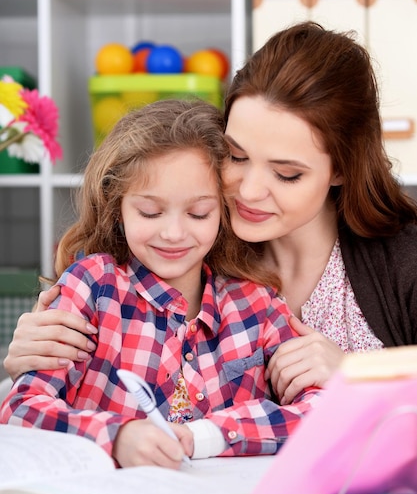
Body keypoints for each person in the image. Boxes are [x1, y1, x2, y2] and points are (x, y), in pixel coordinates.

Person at [4, 21, 417, 400]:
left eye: (287, 174)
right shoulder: (190, 242)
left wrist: (359, 370)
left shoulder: (402, 259)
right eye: (236, 156)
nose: (249, 192)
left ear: (342, 169)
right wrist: (32, 356)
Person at [0, 98, 320, 470]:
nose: (173, 233)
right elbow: (21, 411)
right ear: (117, 208)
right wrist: (117, 437)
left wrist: (211, 435)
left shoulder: (255, 303)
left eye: (198, 213)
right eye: (150, 212)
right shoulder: (93, 287)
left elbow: (323, 409)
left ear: (223, 210)